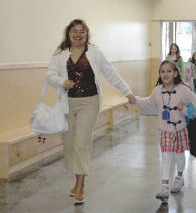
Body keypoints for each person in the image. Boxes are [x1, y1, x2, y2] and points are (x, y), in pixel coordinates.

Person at [45, 19, 134, 204]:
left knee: (81, 143)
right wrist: (62, 82)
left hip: (89, 103)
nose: (78, 35)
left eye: (82, 31)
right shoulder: (61, 54)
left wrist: (128, 92)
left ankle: (81, 185)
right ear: (68, 34)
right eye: (75, 31)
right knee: (69, 144)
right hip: (67, 104)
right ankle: (76, 181)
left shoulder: (94, 52)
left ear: (87, 34)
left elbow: (111, 73)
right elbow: (50, 75)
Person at [128, 60, 196, 202]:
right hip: (164, 130)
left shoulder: (183, 89)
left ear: (175, 73)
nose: (165, 74)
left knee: (179, 155)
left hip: (180, 129)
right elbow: (148, 102)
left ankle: (179, 177)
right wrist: (134, 100)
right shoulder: (157, 90)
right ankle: (164, 187)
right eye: (162, 71)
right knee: (166, 156)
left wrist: (184, 110)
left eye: (168, 71)